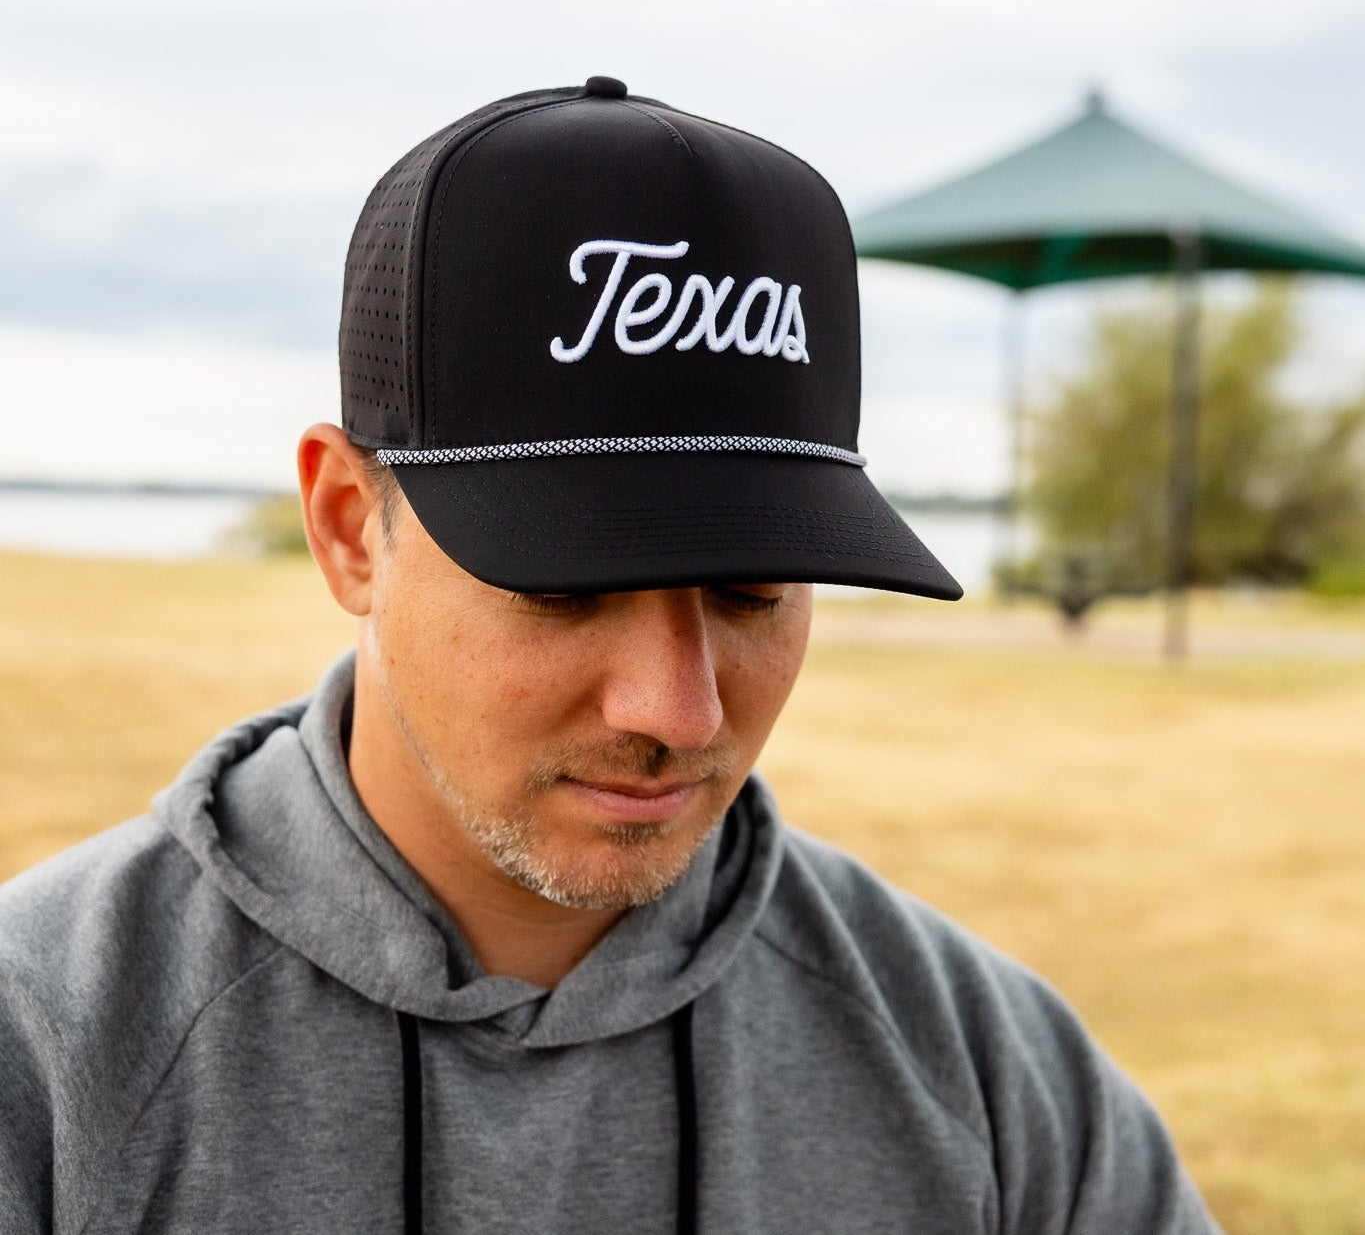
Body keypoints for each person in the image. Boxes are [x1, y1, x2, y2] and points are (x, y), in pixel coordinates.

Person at [0, 78, 1221, 1234]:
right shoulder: (47, 1051)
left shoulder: (987, 1070)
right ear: (345, 529)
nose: (680, 713)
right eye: (567, 586)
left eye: (751, 590)